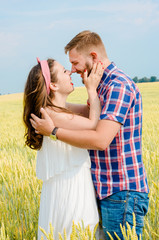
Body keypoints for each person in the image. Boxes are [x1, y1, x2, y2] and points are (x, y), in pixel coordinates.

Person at [30, 31, 149, 240]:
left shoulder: (117, 86)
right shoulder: (100, 86)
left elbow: (101, 139)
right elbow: (77, 115)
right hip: (104, 191)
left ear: (93, 57)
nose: (74, 70)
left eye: (75, 63)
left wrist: (54, 132)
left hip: (121, 192)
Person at [23, 57, 104, 239]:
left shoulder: (60, 108)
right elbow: (93, 123)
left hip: (72, 183)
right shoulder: (51, 113)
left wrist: (88, 80)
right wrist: (91, 89)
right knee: (77, 229)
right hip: (70, 189)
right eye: (64, 71)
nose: (70, 72)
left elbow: (89, 110)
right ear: (53, 86)